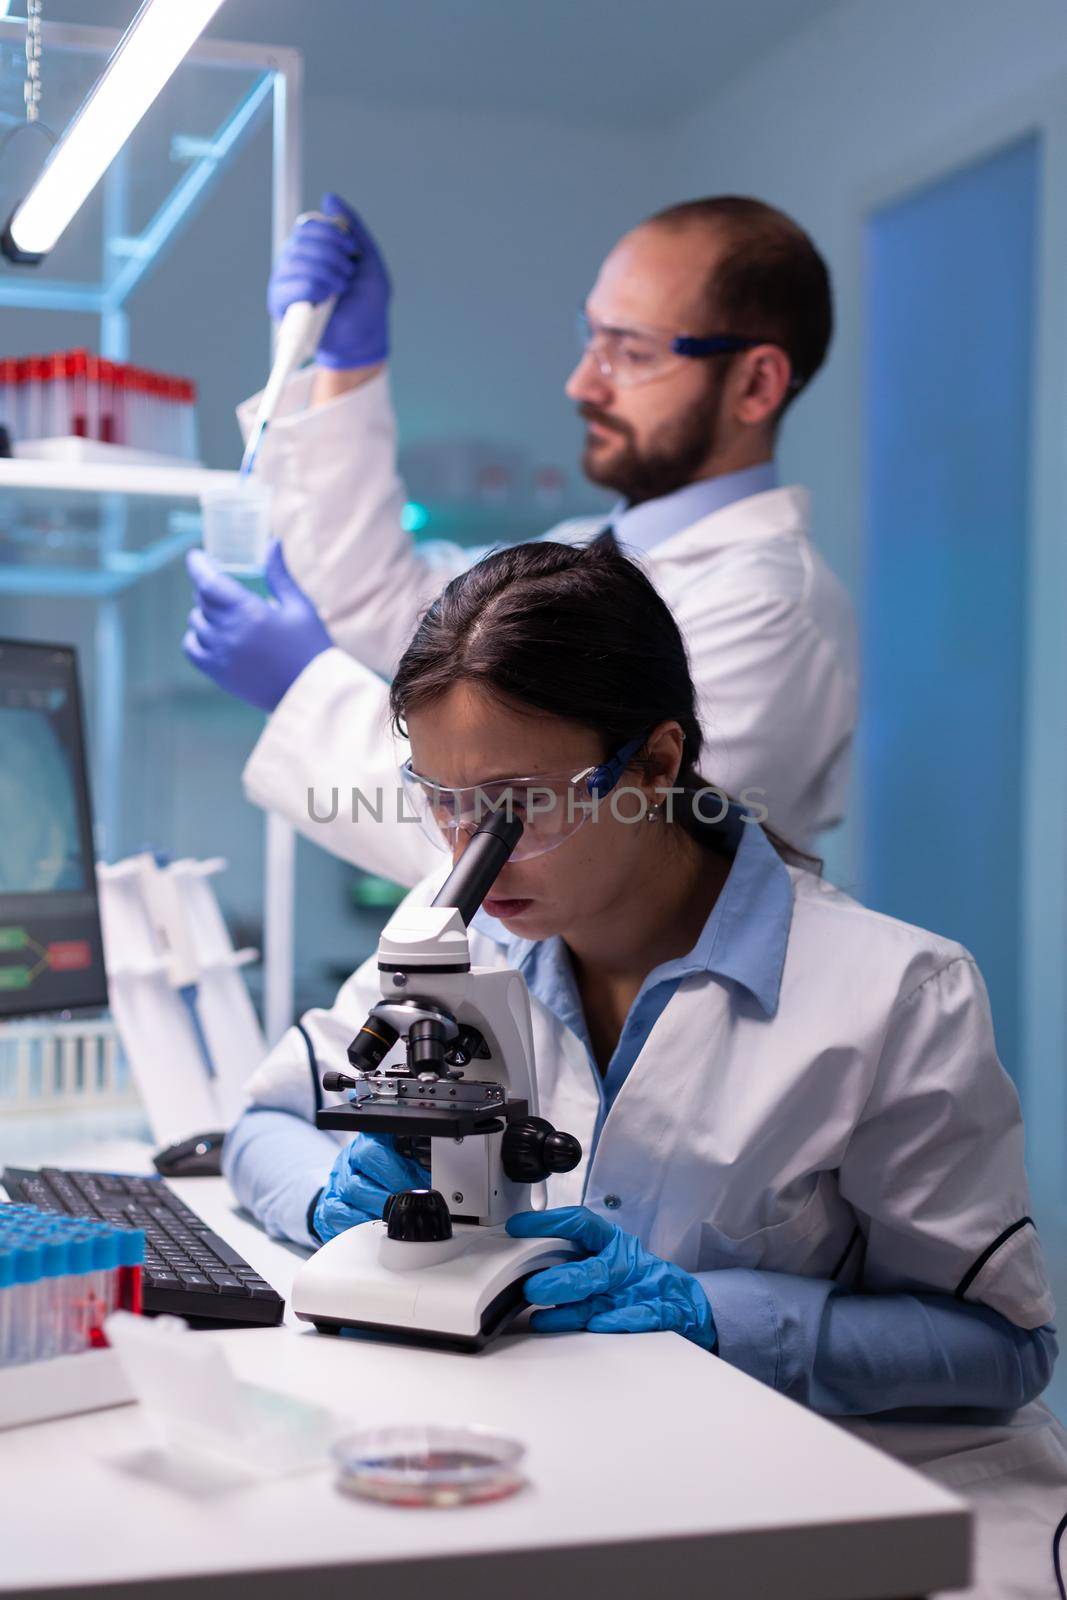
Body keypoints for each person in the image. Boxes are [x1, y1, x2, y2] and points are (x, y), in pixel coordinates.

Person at [226, 538, 1063, 1599]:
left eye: (515, 802)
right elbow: (259, 1125)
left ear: (655, 763)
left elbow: (999, 1348)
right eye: (437, 798)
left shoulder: (892, 993)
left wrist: (720, 1316)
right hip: (583, 1480)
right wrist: (335, 1205)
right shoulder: (463, 944)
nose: (467, 855)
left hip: (849, 1511)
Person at [184, 193, 857, 883]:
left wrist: (304, 690)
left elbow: (584, 860)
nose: (581, 384)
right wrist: (348, 362)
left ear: (755, 384)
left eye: (628, 351)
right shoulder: (583, 549)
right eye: (589, 339)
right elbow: (385, 603)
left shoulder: (772, 610)